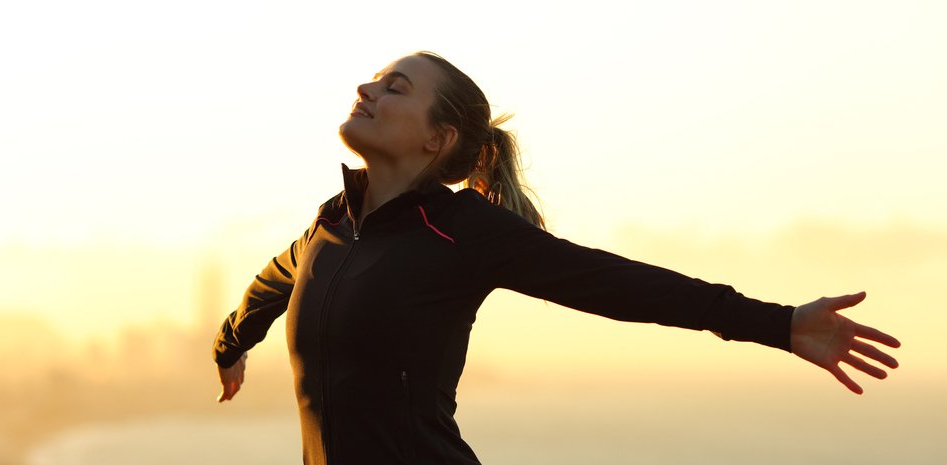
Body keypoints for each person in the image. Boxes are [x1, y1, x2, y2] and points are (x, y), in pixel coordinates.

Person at [212, 51, 900, 465]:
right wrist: (230, 342)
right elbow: (270, 286)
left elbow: (618, 283)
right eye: (373, 79)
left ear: (437, 138)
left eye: (396, 88)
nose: (368, 90)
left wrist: (778, 323)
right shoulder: (329, 227)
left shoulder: (462, 231)